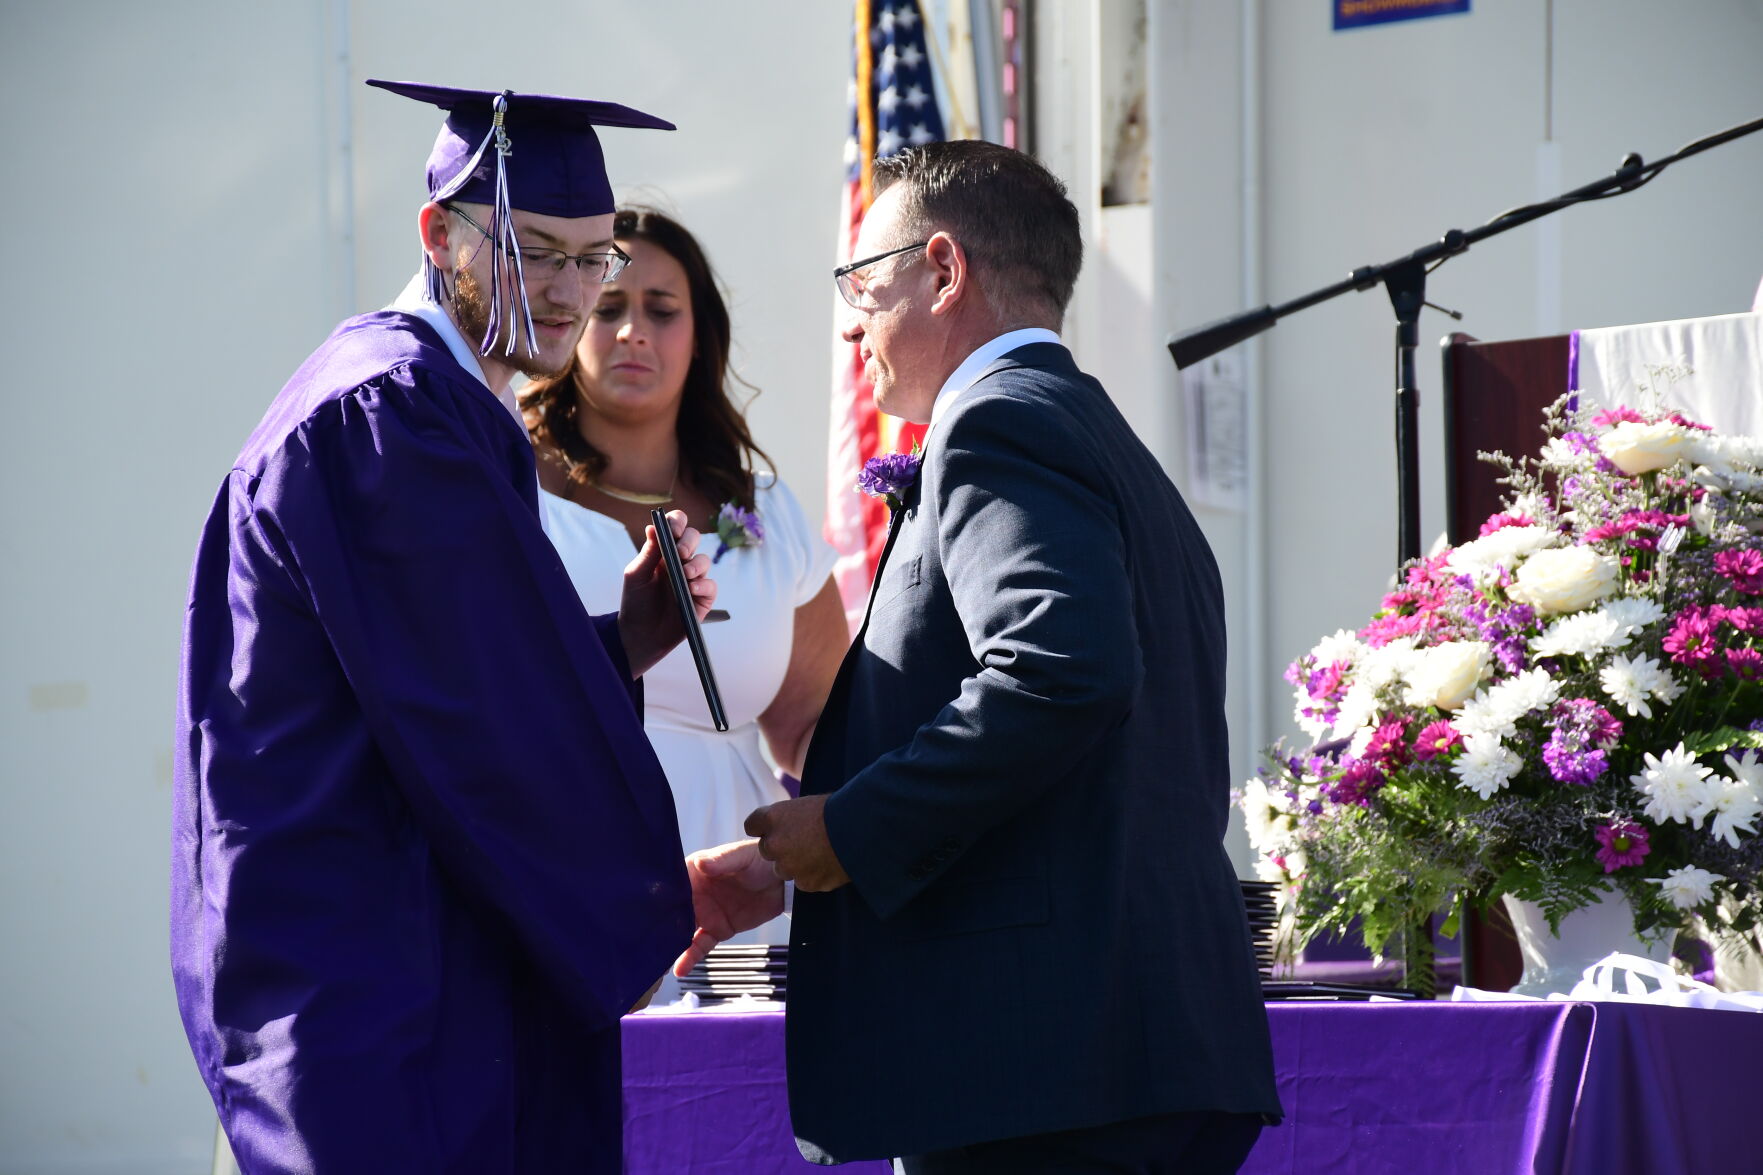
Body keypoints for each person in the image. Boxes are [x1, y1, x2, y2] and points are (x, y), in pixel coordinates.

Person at [678, 140, 1283, 1173]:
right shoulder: (1099, 441)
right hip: (1120, 1049)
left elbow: (1059, 673)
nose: (848, 317)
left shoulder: (996, 425)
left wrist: (856, 828)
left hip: (1043, 1075)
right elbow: (1081, 771)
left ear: (943, 270)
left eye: (862, 281)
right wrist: (795, 864)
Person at [170, 81, 716, 1174]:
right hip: (371, 988)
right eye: (536, 252)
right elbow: (487, 729)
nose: (570, 293)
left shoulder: (419, 401)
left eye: (593, 256)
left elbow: (438, 678)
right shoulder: (390, 415)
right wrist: (649, 901)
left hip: (380, 971)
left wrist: (623, 639)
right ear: (439, 234)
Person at [521, 208, 845, 923]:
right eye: (608, 307)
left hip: (741, 880)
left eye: (661, 310)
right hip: (567, 862)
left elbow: (814, 722)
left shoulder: (766, 508)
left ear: (700, 338)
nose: (633, 330)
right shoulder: (510, 486)